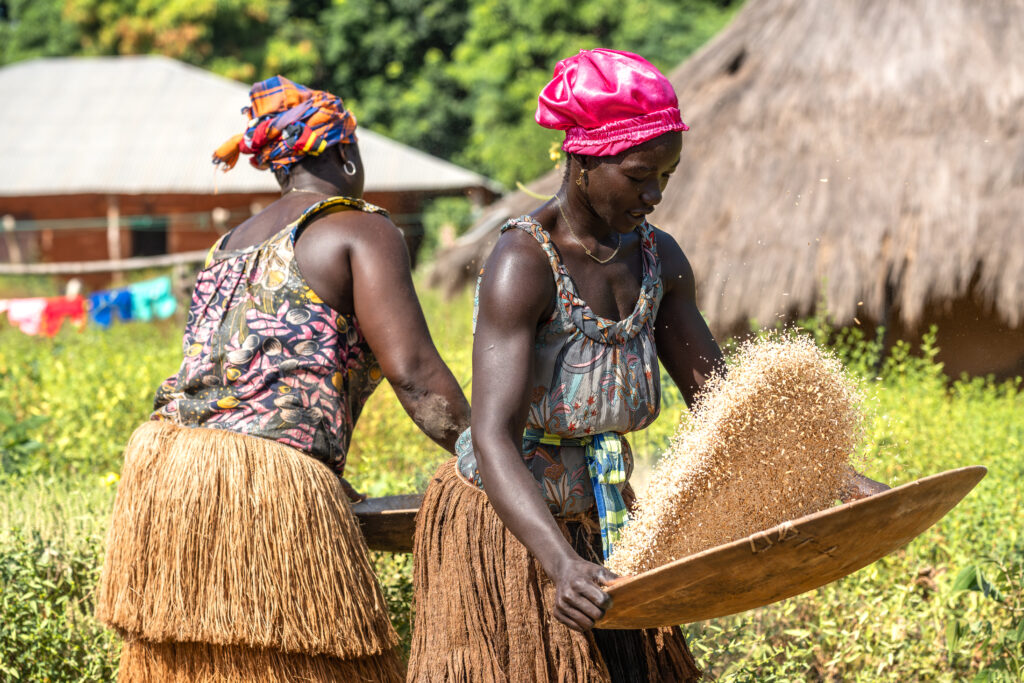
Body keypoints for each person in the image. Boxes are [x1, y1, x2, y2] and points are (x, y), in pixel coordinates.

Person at [409, 49, 886, 682]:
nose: (655, 194)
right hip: (510, 525)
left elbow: (722, 407)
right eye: (638, 176)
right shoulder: (524, 262)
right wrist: (560, 565)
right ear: (583, 162)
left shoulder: (660, 260)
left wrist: (833, 478)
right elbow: (494, 435)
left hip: (604, 515)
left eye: (667, 174)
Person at [95, 76, 470, 682]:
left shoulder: (228, 245)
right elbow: (418, 377)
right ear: (346, 154)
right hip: (267, 484)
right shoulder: (359, 228)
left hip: (167, 476)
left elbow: (236, 389)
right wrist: (496, 456)